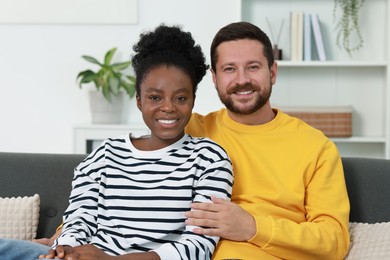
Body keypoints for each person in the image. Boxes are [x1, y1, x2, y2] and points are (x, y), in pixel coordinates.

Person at [35, 24, 233, 260]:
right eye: (154, 97)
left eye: (180, 97)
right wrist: (65, 250)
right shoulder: (105, 154)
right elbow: (78, 220)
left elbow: (198, 246)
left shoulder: (209, 159)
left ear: (192, 100)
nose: (168, 107)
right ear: (139, 101)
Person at [184, 21, 351, 259]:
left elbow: (333, 240)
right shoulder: (190, 130)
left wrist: (253, 227)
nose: (242, 80)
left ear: (272, 72)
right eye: (229, 69)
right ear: (214, 77)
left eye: (253, 67)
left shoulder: (316, 147)